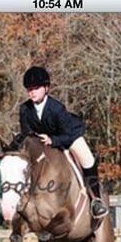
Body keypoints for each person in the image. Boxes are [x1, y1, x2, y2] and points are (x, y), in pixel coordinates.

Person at [19, 66, 108, 219]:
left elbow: (67, 134)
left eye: (36, 88)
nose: (32, 92)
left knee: (88, 160)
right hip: (43, 143)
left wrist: (53, 140)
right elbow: (26, 134)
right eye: (29, 89)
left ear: (46, 88)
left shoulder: (57, 108)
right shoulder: (24, 109)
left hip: (69, 136)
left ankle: (96, 200)